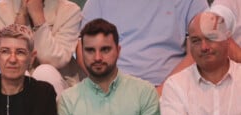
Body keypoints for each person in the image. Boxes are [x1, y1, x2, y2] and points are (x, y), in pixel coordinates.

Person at [79, 0, 208, 92]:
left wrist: (165, 91)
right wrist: (107, 85)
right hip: (111, 86)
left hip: (171, 89)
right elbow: (82, 46)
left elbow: (201, 50)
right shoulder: (98, 2)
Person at [0, 0, 83, 94]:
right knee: (19, 76)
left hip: (62, 85)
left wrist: (38, 18)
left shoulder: (70, 10)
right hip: (15, 86)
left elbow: (54, 60)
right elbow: (7, 60)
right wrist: (21, 15)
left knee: (45, 72)